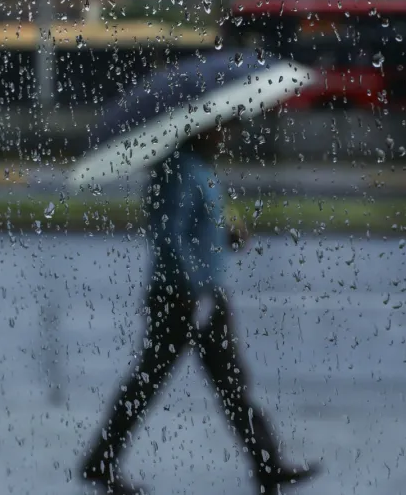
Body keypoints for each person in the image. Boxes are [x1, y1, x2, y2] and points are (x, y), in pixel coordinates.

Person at [77, 120, 320, 495]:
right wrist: (192, 288)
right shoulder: (178, 171)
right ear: (200, 130)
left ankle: (268, 464)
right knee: (160, 382)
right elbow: (167, 236)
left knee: (223, 383)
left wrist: (228, 236)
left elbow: (197, 232)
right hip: (184, 296)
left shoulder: (200, 170)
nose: (228, 134)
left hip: (201, 294)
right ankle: (101, 461)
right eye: (220, 128)